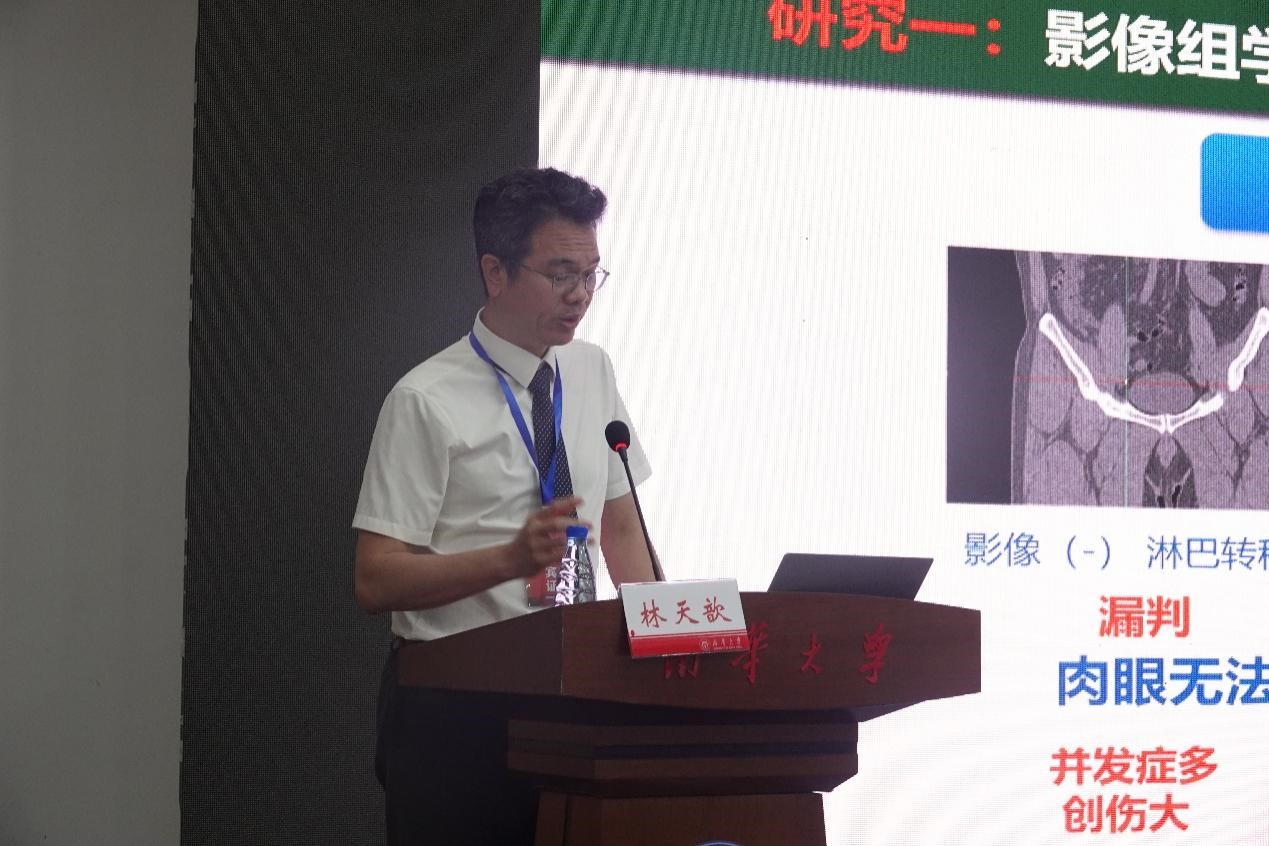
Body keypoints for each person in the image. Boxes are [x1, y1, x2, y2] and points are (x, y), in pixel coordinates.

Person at [352, 167, 657, 845]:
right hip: (458, 709)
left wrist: (663, 641)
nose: (580, 296)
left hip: (575, 697)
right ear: (495, 272)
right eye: (560, 274)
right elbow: (376, 578)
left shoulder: (592, 369)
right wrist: (510, 559)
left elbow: (619, 526)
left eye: (592, 275)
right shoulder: (425, 399)